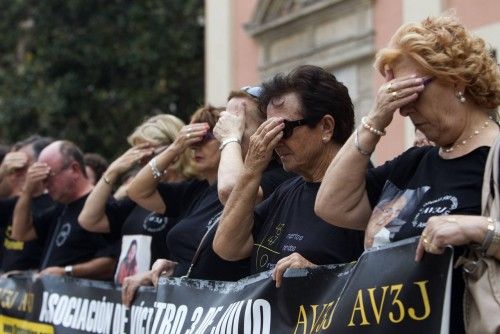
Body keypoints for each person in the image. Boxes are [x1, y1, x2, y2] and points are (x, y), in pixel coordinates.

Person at [314, 14, 500, 333]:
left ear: (455, 80)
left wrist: (480, 228)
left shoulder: (494, 154)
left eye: (410, 90)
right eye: (394, 95)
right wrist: (375, 118)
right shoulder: (415, 161)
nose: (403, 109)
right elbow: (331, 205)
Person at [213, 65, 365, 288]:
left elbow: (382, 277)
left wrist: (319, 274)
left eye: (283, 129)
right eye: (267, 129)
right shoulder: (287, 191)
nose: (275, 141)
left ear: (326, 127)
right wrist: (252, 168)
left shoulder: (364, 192)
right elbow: (227, 247)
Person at [78, 114, 193, 285]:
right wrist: (113, 171)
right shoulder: (140, 195)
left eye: (148, 153)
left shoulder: (191, 192)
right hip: (128, 302)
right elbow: (88, 220)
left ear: (174, 149)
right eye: (138, 154)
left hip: (162, 300)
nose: (141, 161)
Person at [11, 140, 118, 280]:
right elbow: (20, 233)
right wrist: (27, 191)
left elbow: (111, 262)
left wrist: (67, 271)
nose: (44, 184)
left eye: (49, 176)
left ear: (74, 169)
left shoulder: (101, 205)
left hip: (84, 297)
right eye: (41, 178)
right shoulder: (61, 206)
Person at [0, 136, 54, 272]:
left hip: (35, 287)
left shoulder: (56, 205)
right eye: (14, 167)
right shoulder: (12, 204)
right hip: (7, 287)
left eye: (24, 165)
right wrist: (2, 172)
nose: (17, 172)